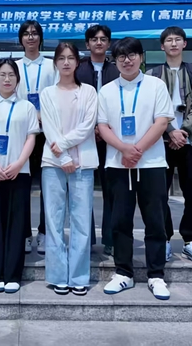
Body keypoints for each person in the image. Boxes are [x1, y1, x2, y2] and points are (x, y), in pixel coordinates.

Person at [98, 37, 172, 301]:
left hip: (151, 164)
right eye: (121, 56)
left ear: (141, 57)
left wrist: (136, 149)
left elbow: (161, 122)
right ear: (115, 61)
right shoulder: (106, 90)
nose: (126, 60)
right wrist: (124, 149)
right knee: (120, 221)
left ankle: (156, 275)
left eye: (132, 55)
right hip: (118, 165)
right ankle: (123, 273)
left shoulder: (156, 85)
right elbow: (102, 126)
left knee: (155, 222)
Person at [146, 26, 192, 266]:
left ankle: (190, 241)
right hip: (160, 142)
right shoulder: (152, 75)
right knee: (158, 194)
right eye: (169, 40)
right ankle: (163, 239)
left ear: (184, 44)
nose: (173, 44)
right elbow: (150, 106)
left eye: (178, 40)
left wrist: (184, 131)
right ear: (162, 46)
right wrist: (171, 131)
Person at [40, 42, 98, 296]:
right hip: (53, 163)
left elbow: (87, 126)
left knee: (81, 220)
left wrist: (62, 145)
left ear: (77, 62)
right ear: (55, 62)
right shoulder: (47, 93)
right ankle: (57, 275)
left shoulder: (88, 92)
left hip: (83, 162)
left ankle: (79, 276)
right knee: (53, 220)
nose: (66, 62)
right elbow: (49, 127)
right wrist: (63, 156)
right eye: (61, 58)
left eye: (70, 58)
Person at [0, 59, 39, 294]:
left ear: (17, 79)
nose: (7, 79)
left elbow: (31, 138)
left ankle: (13, 274)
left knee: (16, 223)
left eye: (11, 75)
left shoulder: (26, 107)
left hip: (19, 172)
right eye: (2, 75)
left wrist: (19, 163)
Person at [76, 25, 119, 256]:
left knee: (111, 190)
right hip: (84, 138)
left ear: (109, 43)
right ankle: (86, 239)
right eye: (94, 39)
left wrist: (105, 128)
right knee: (83, 189)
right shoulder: (78, 70)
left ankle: (111, 239)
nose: (99, 43)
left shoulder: (117, 70)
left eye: (103, 39)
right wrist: (89, 128)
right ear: (87, 44)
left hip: (111, 139)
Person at [15, 21, 56, 255]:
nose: (30, 37)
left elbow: (57, 96)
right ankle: (23, 233)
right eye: (26, 34)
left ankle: (43, 233)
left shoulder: (51, 65)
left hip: (47, 133)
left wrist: (43, 116)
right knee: (22, 185)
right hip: (22, 134)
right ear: (20, 39)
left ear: (40, 38)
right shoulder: (14, 66)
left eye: (34, 33)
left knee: (48, 185)